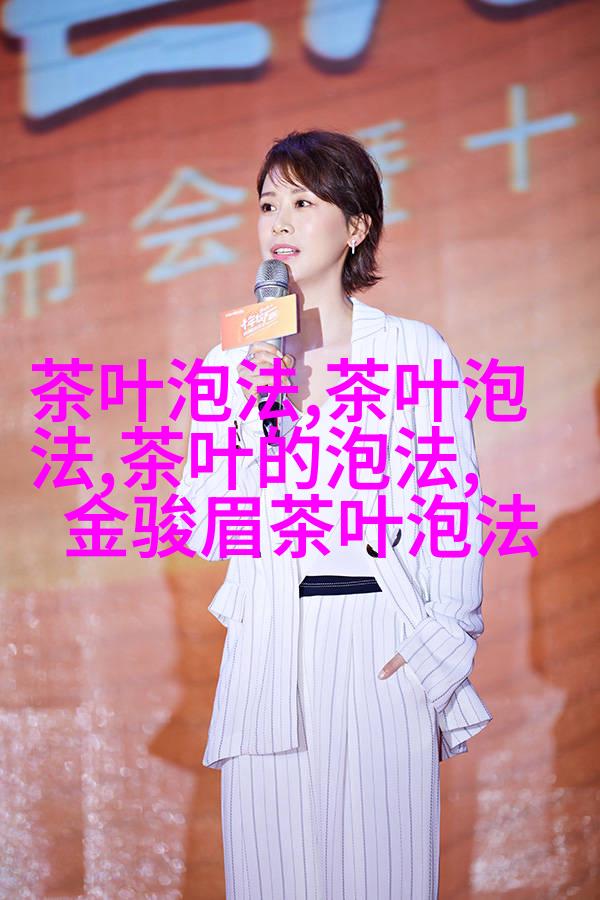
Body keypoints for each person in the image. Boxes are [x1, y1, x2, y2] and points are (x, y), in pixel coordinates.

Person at [176, 129, 493, 899]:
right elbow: (205, 525)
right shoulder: (231, 361)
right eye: (267, 205)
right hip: (269, 646)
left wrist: (440, 639)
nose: (279, 222)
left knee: (382, 876)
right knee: (272, 875)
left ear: (355, 227)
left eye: (302, 203)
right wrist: (246, 408)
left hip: (379, 642)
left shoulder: (412, 351)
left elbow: (449, 504)